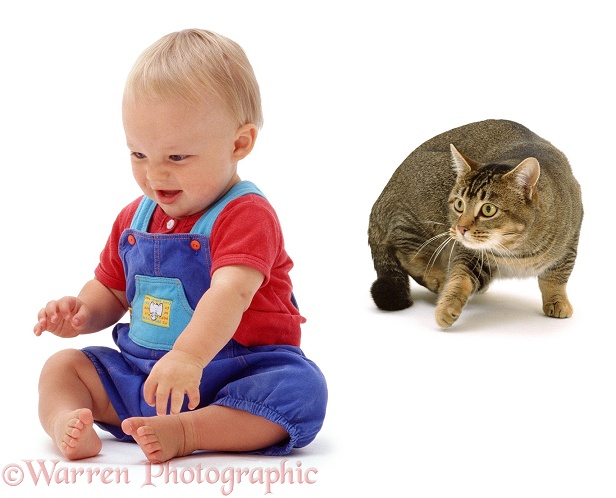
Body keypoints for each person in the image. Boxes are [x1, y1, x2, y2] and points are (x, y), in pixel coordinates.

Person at [34, 28, 327, 464]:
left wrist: (189, 357)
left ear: (239, 143)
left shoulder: (246, 215)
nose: (155, 176)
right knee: (62, 367)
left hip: (237, 373)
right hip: (148, 378)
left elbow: (230, 292)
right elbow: (113, 290)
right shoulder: (134, 218)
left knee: (301, 391)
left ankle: (189, 431)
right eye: (138, 155)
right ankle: (65, 423)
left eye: (176, 158)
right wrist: (81, 312)